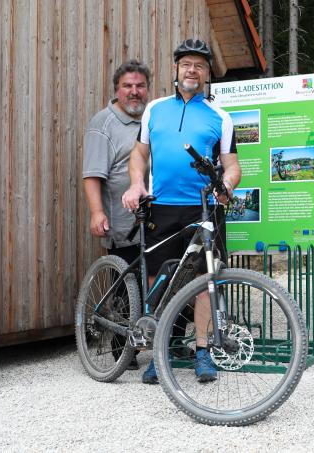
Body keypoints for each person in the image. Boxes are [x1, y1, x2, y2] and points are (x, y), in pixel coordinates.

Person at [122, 38, 241, 383]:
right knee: (157, 279)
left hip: (203, 208)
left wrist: (228, 186)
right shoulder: (155, 109)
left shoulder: (220, 117)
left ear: (207, 74)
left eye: (200, 65)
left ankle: (202, 351)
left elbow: (232, 166)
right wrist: (136, 184)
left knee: (205, 280)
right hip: (161, 207)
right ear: (176, 69)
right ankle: (161, 351)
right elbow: (139, 154)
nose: (193, 70)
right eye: (187, 64)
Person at [82, 59, 152, 371]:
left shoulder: (152, 118)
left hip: (154, 218)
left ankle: (169, 343)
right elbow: (92, 175)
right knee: (126, 285)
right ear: (117, 90)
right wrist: (96, 212)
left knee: (162, 280)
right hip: (122, 223)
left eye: (140, 86)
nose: (134, 92)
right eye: (128, 86)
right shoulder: (104, 123)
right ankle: (121, 349)